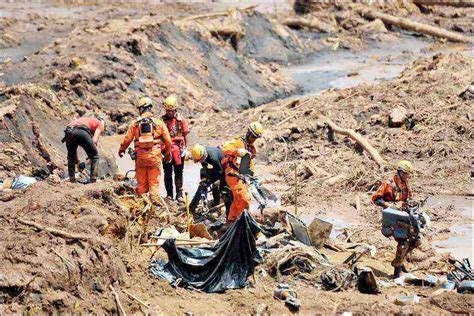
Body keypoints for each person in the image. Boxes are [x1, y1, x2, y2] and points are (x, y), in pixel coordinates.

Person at [118, 97, 172, 204]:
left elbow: (127, 139)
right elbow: (168, 141)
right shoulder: (159, 123)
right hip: (155, 157)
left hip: (140, 157)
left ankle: (141, 205)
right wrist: (167, 153)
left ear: (141, 109)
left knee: (141, 184)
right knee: (154, 183)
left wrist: (121, 149)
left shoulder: (135, 123)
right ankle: (155, 206)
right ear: (150, 108)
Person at [371, 160, 417, 278]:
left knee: (415, 239)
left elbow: (408, 198)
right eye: (407, 173)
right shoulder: (388, 183)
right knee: (403, 241)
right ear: (401, 172)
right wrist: (389, 205)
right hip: (393, 216)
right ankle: (397, 270)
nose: (408, 176)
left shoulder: (405, 183)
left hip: (404, 215)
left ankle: (400, 263)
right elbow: (376, 199)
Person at [221, 122, 264, 223]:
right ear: (248, 133)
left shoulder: (251, 149)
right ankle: (242, 220)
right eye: (253, 136)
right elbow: (224, 149)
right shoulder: (238, 142)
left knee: (239, 199)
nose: (253, 139)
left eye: (255, 138)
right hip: (232, 173)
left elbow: (250, 164)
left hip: (242, 175)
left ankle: (232, 219)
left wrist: (253, 177)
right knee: (243, 198)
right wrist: (236, 151)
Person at [161, 95, 189, 203]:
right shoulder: (162, 121)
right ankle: (169, 195)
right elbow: (158, 136)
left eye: (171, 111)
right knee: (167, 173)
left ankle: (179, 194)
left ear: (175, 109)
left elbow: (186, 135)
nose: (170, 113)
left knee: (178, 172)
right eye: (168, 110)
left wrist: (186, 148)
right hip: (166, 150)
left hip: (178, 150)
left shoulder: (181, 120)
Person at [63, 114, 105, 183]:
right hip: (80, 130)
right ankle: (93, 180)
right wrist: (91, 156)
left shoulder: (88, 120)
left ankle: (72, 179)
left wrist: (77, 163)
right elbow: (94, 140)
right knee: (95, 156)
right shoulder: (100, 124)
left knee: (71, 157)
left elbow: (73, 154)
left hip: (68, 131)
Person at [189, 144, 229, 214]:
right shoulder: (202, 154)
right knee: (202, 184)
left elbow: (220, 172)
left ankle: (218, 206)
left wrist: (210, 180)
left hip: (223, 169)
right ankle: (192, 207)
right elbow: (205, 166)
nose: (199, 162)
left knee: (216, 185)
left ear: (203, 156)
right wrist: (204, 179)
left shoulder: (213, 158)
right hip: (217, 167)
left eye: (200, 160)